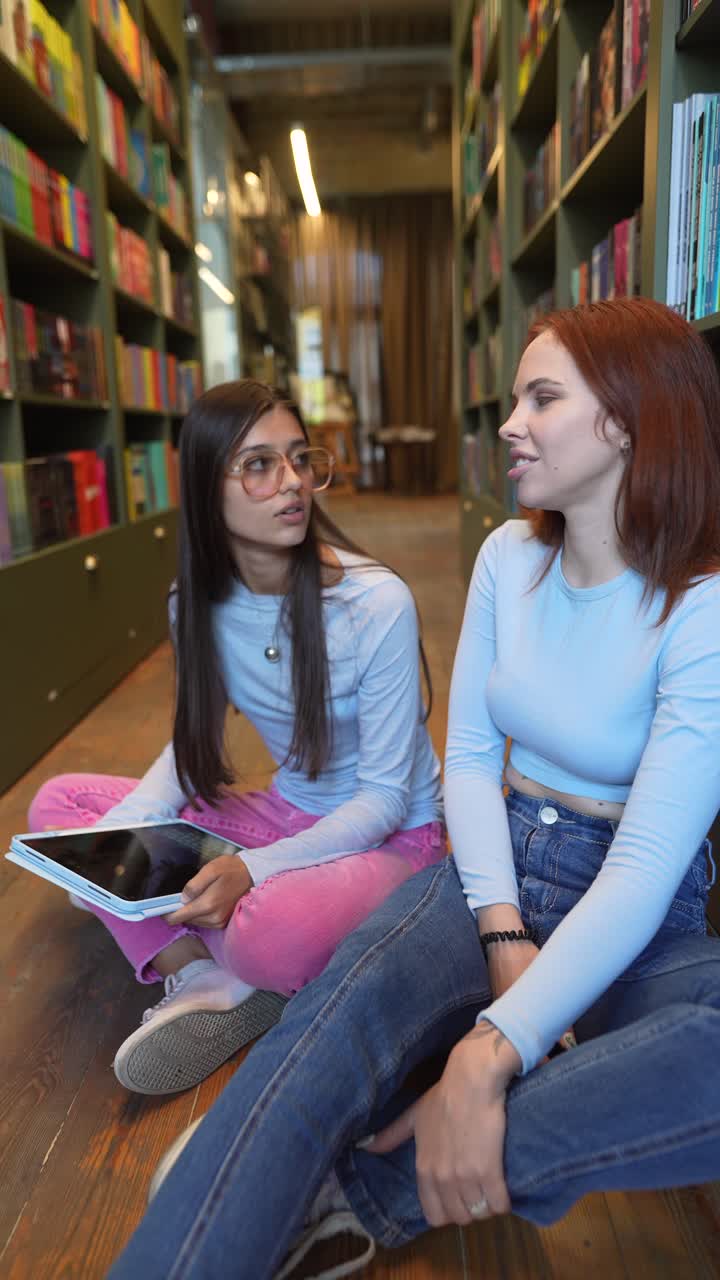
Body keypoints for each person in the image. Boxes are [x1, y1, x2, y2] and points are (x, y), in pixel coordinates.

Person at [106, 298, 720, 1280]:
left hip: (637, 907)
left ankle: (362, 1180)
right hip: (493, 862)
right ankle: (264, 1160)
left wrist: (488, 1053)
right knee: (331, 1025)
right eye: (515, 395)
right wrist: (503, 929)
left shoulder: (703, 607)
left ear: (627, 418)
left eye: (541, 397)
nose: (508, 422)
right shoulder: (507, 557)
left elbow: (648, 864)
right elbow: (469, 761)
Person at [29, 379, 444, 1096]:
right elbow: (191, 750)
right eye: (257, 465)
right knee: (60, 811)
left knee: (265, 930)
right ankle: (202, 971)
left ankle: (214, 952)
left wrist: (254, 870)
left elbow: (383, 801)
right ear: (206, 486)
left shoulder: (375, 602)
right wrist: (126, 830)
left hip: (390, 838)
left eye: (297, 459)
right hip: (284, 813)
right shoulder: (194, 605)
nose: (291, 484)